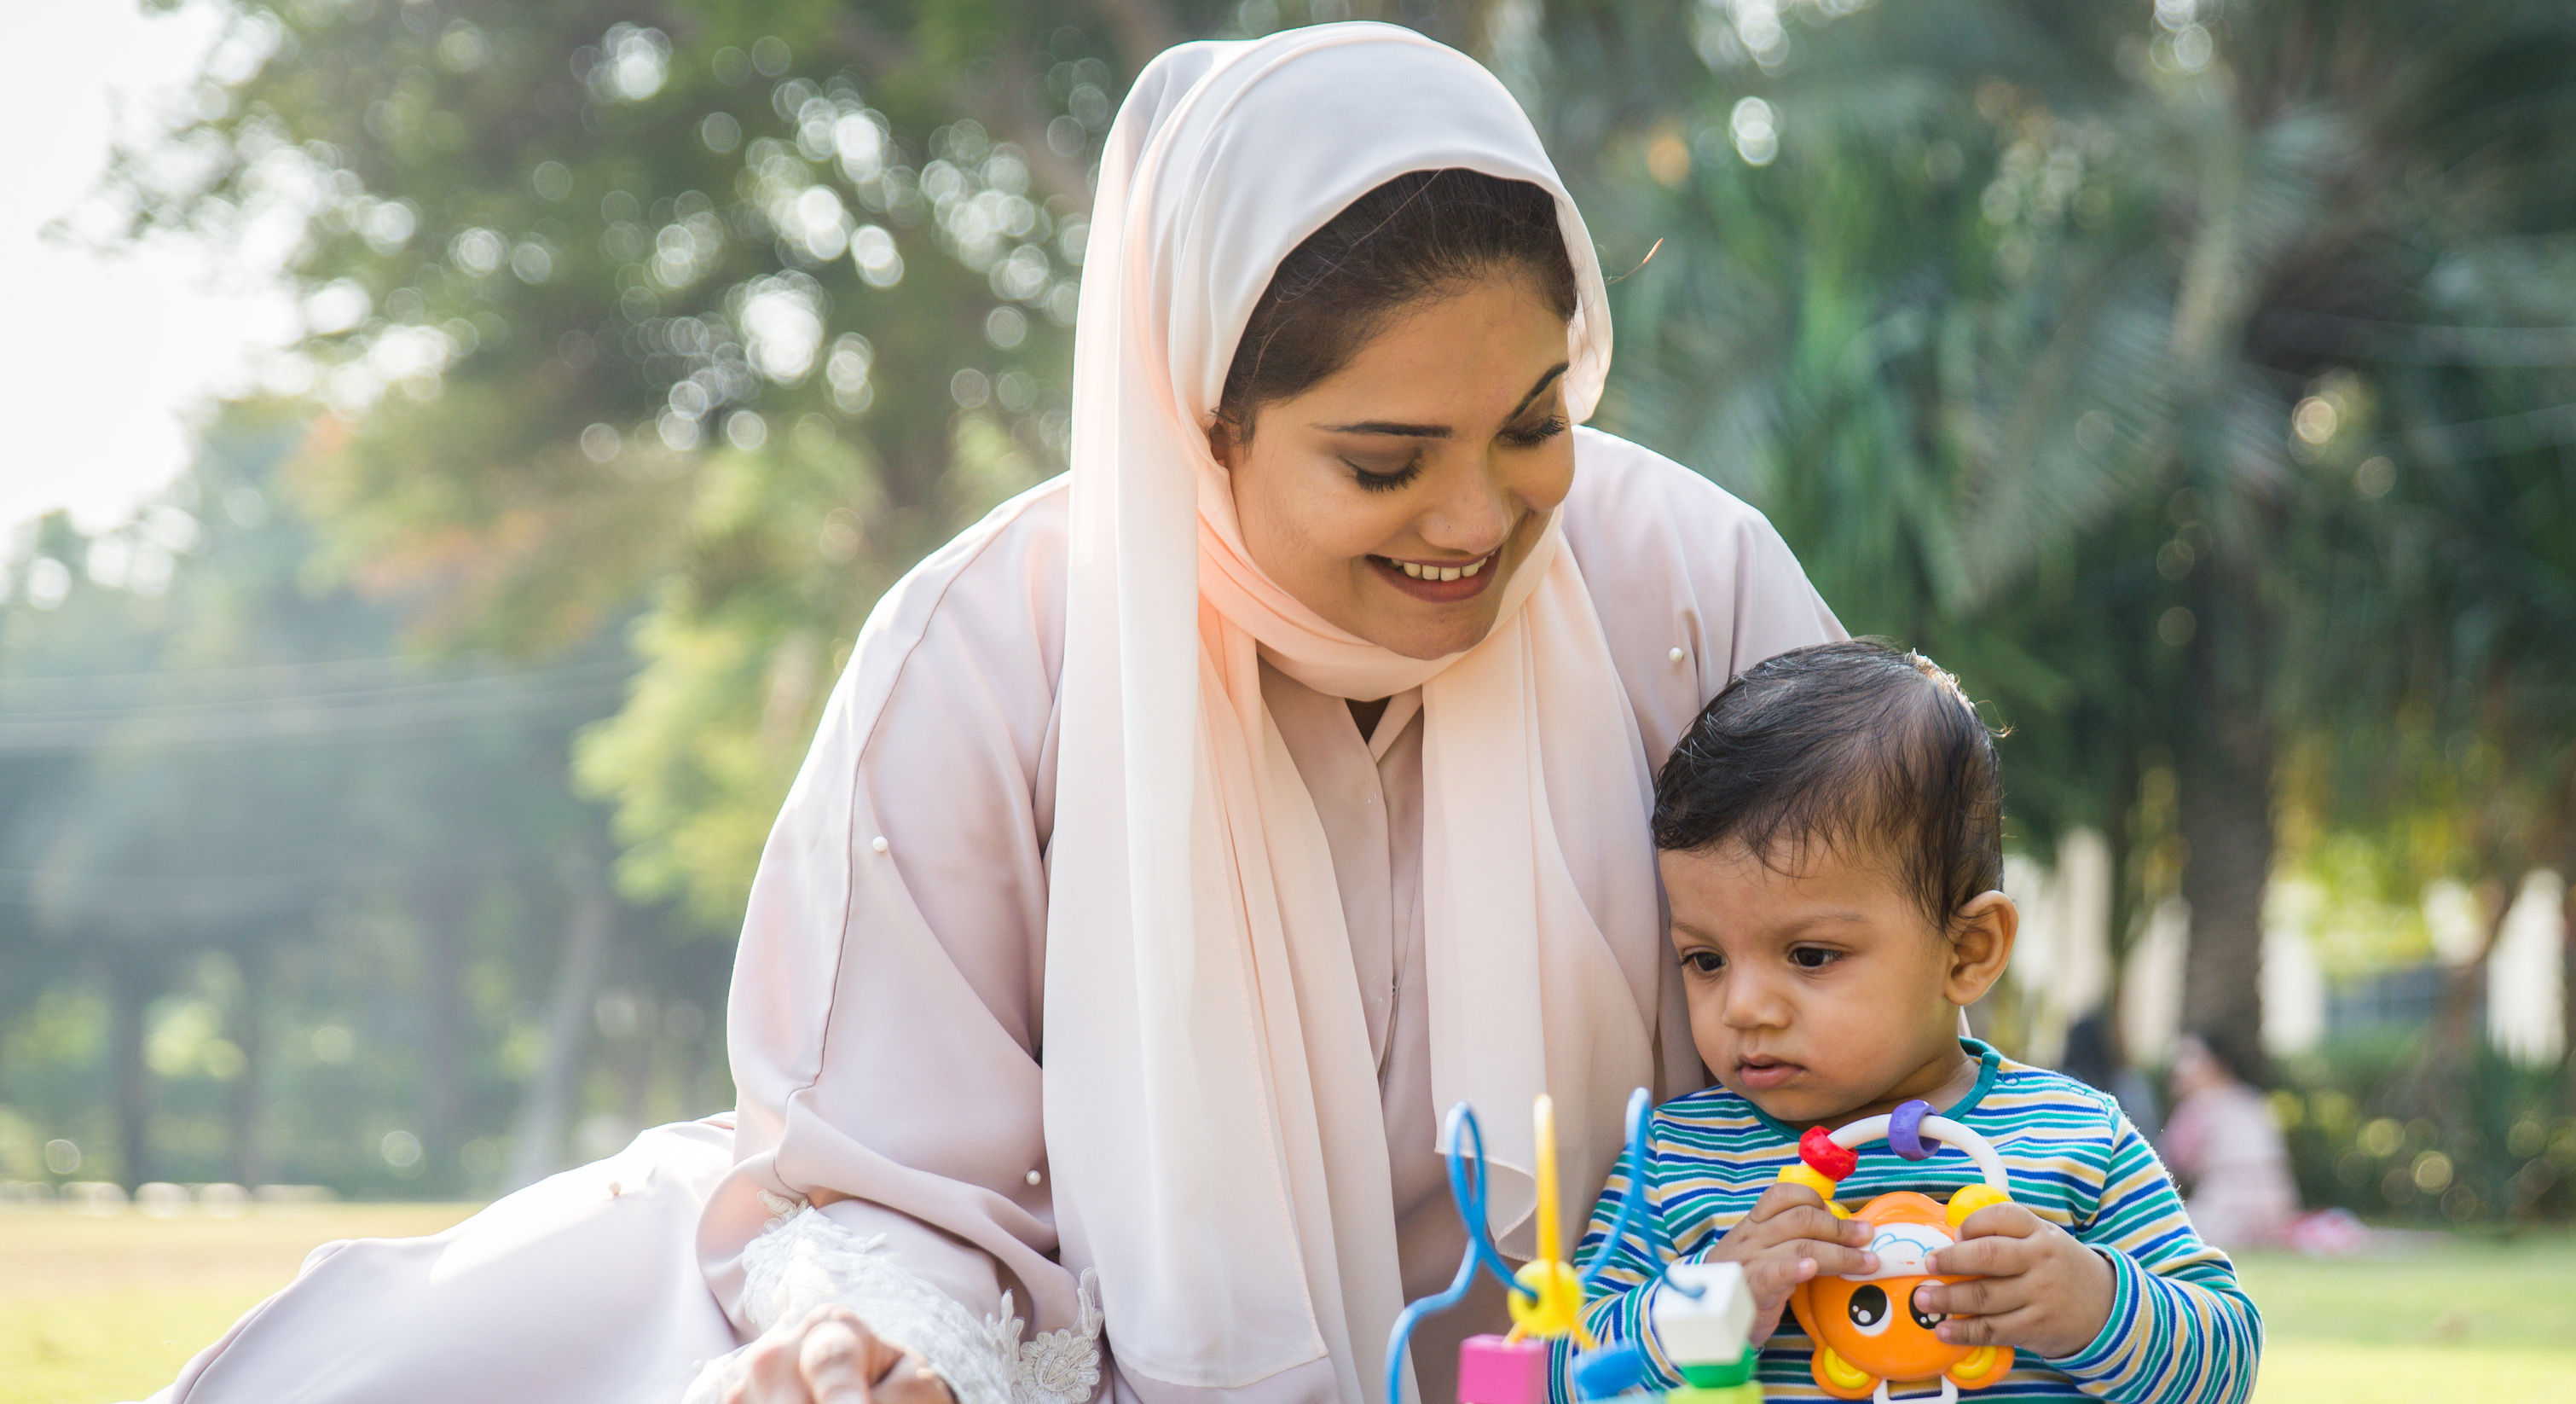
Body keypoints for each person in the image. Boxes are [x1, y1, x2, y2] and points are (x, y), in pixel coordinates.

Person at [149, 24, 1841, 1404]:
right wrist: (887, 1350)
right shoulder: (986, 654)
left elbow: (1876, 980)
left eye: (1535, 421)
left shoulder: (1683, 584)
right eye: (1384, 462)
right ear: (1203, 426)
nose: (1479, 521)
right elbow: (900, 1172)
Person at [1570, 642, 2261, 1404]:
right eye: (1704, 961)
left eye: (1810, 954)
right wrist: (1704, 1302)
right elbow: (1561, 1374)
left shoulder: (2076, 1138)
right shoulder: (1676, 1163)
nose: (1742, 1008)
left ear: (1967, 951)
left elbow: (2224, 1366)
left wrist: (2093, 1304)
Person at [2152, 1034, 2298, 1253]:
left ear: (2214, 1065)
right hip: (2277, 1211)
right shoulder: (2252, 1100)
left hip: (2224, 1211)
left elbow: (2168, 1165)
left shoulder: (2196, 1107)